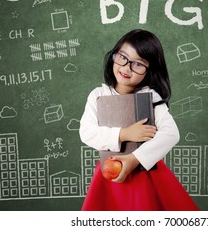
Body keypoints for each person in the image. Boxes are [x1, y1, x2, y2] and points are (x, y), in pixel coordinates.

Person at [79, 29, 199, 211]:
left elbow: (171, 134)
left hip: (145, 176)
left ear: (150, 70)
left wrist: (135, 159)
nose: (127, 67)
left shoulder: (151, 97)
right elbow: (86, 133)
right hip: (109, 175)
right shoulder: (98, 95)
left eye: (138, 64)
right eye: (122, 57)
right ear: (114, 56)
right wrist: (124, 134)